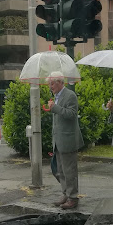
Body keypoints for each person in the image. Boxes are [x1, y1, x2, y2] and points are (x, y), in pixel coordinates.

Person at [47, 71, 84, 209]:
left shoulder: (70, 95)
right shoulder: (56, 96)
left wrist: (55, 108)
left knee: (70, 171)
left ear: (60, 82)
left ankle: (73, 197)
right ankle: (65, 193)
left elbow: (72, 114)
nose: (50, 86)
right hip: (58, 140)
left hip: (68, 139)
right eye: (49, 84)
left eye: (52, 83)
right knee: (61, 170)